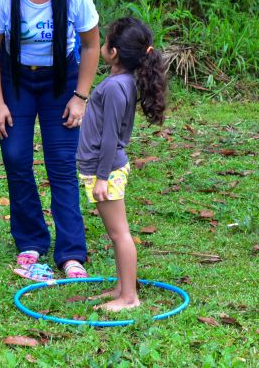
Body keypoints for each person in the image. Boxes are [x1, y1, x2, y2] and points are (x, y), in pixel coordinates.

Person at [0, 0, 100, 281]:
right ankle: (30, 242)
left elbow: (92, 45)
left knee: (62, 164)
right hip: (15, 80)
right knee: (16, 158)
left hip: (60, 82)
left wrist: (80, 97)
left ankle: (70, 252)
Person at [77, 17, 166, 311]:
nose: (101, 44)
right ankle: (121, 286)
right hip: (102, 168)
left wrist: (102, 177)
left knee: (119, 233)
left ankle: (129, 297)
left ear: (113, 52)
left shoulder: (116, 87)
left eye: (105, 41)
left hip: (106, 170)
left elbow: (110, 137)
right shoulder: (122, 82)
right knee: (116, 233)